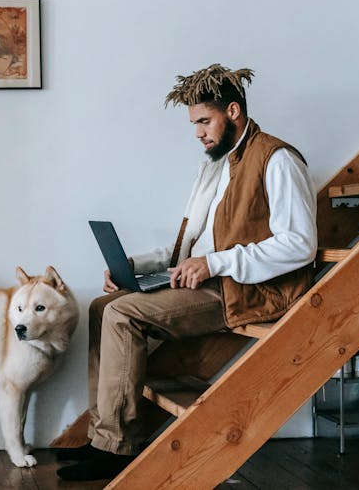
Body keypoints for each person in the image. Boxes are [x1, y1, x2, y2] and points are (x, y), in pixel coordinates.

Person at [56, 63, 318, 481]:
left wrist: (215, 262)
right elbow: (194, 244)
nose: (197, 133)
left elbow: (300, 245)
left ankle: (117, 447)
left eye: (204, 121)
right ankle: (102, 435)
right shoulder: (215, 165)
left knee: (122, 315)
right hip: (210, 280)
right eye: (194, 123)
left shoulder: (278, 159)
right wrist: (134, 267)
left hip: (248, 290)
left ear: (233, 111)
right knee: (102, 306)